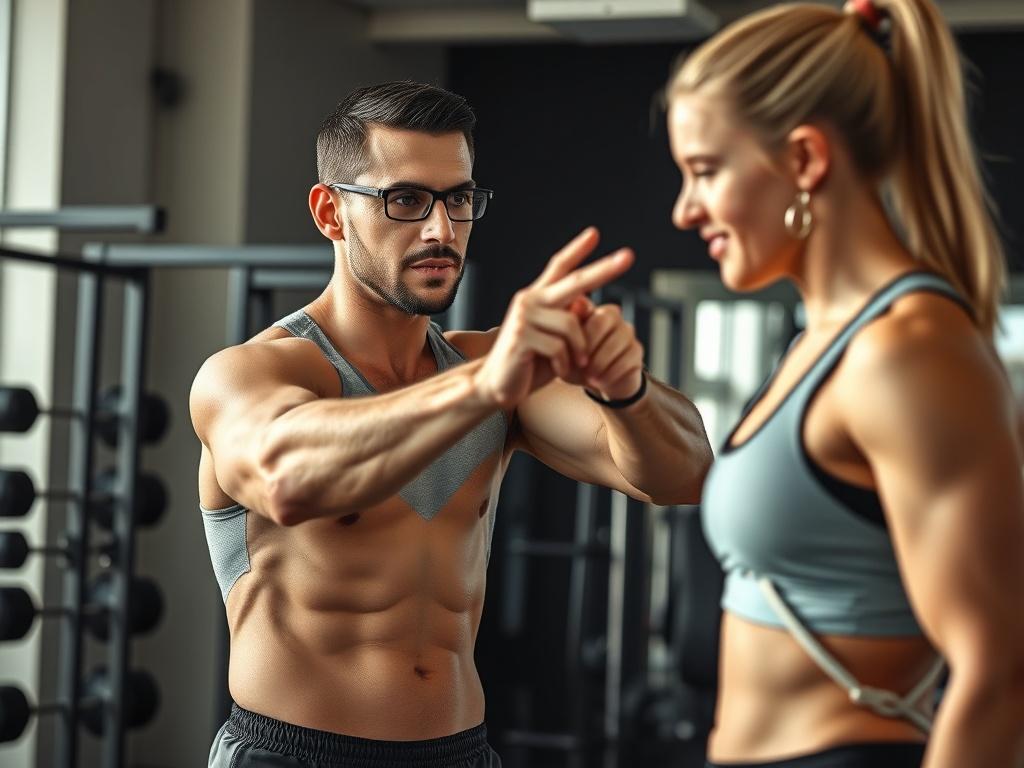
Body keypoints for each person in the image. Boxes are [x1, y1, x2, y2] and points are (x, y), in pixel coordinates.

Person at [190, 80, 713, 768]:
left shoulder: (491, 367)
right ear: (330, 213)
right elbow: (287, 477)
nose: (440, 229)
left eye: (458, 199)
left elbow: (687, 476)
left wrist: (627, 389)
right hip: (294, 754)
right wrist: (482, 385)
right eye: (404, 200)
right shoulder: (253, 373)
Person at [665, 0, 1024, 765]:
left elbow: (1000, 670)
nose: (685, 209)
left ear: (803, 160)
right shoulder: (820, 342)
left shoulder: (908, 351)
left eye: (704, 171)